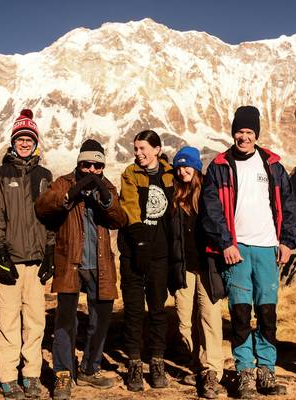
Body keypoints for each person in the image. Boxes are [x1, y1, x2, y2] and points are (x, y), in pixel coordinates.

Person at [201, 106, 296, 399]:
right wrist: (226, 243)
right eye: (239, 132)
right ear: (233, 133)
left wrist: (287, 242)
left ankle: (266, 372)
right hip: (237, 249)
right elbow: (211, 210)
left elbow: (289, 206)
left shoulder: (272, 166)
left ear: (256, 134)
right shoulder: (219, 167)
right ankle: (244, 373)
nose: (243, 137)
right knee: (241, 313)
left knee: (267, 313)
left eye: (249, 132)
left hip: (268, 247)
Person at [35, 139, 127, 400]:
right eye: (86, 164)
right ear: (79, 163)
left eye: (97, 166)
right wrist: (71, 194)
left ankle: (89, 367)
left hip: (100, 264)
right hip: (71, 263)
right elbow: (42, 206)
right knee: (66, 321)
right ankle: (63, 374)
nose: (91, 170)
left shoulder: (106, 185)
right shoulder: (64, 182)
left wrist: (105, 200)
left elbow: (119, 219)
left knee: (101, 319)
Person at [0, 109, 54, 399]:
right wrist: (0, 252)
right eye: (20, 139)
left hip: (36, 262)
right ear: (13, 142)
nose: (24, 143)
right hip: (10, 262)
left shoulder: (44, 175)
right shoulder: (1, 175)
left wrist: (50, 251)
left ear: (35, 142)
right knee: (7, 321)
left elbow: (51, 217)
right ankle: (6, 376)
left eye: (29, 139)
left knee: (36, 321)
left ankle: (31, 375)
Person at [118, 130, 175, 392]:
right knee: (133, 311)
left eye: (143, 149)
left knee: (157, 310)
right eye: (136, 149)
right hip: (133, 252)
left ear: (157, 149)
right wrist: (139, 240)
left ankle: (157, 361)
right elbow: (129, 205)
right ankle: (133, 363)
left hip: (160, 255)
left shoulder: (170, 174)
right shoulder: (131, 173)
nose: (138, 154)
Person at [169, 146, 226, 399]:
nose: (183, 171)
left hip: (208, 267)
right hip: (183, 267)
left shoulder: (208, 194)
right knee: (184, 321)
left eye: (187, 166)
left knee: (209, 318)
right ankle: (197, 363)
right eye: (179, 167)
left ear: (196, 167)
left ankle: (212, 370)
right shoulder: (174, 197)